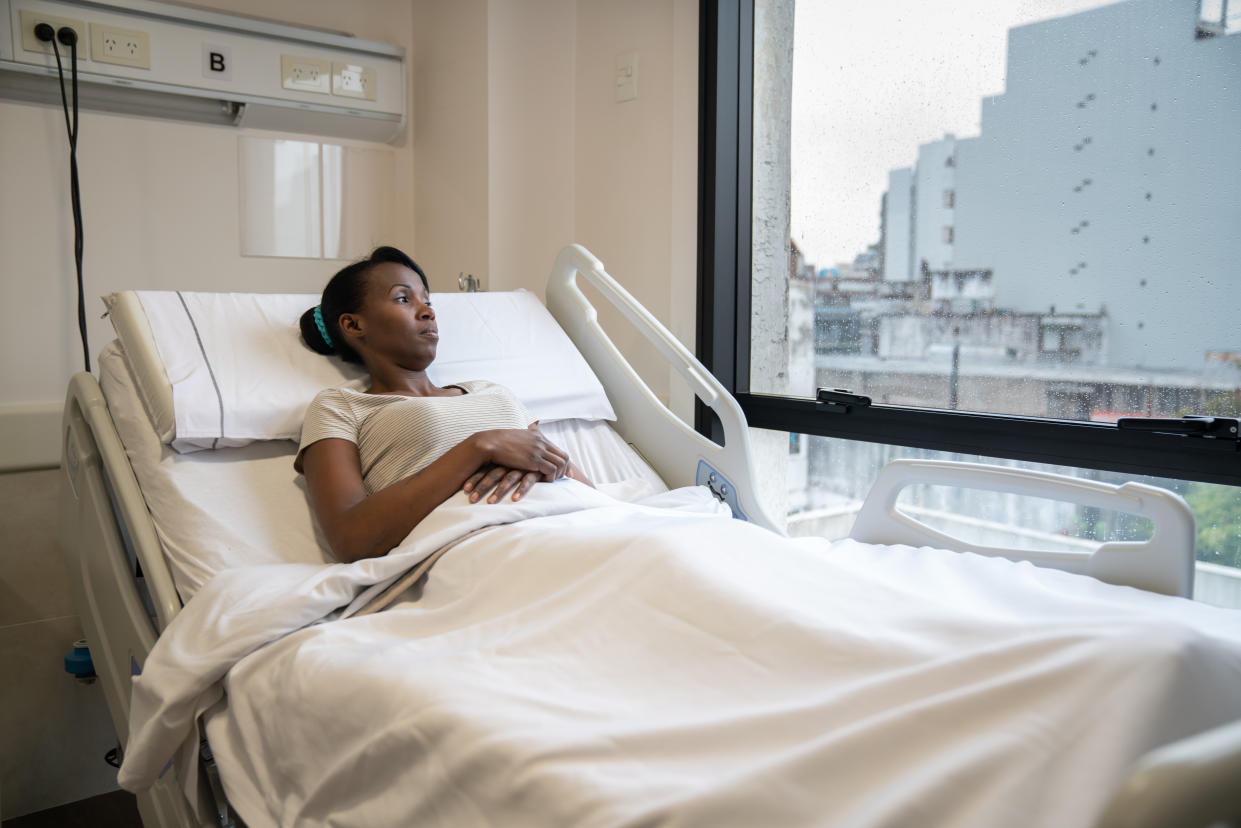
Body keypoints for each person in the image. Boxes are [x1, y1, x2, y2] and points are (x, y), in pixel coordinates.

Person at [296, 246, 592, 563]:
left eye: (427, 300)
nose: (428, 311)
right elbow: (350, 539)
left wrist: (552, 470)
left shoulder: (491, 391)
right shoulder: (340, 406)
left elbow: (578, 482)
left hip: (578, 521)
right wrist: (480, 446)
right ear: (354, 326)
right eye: (402, 298)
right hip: (485, 550)